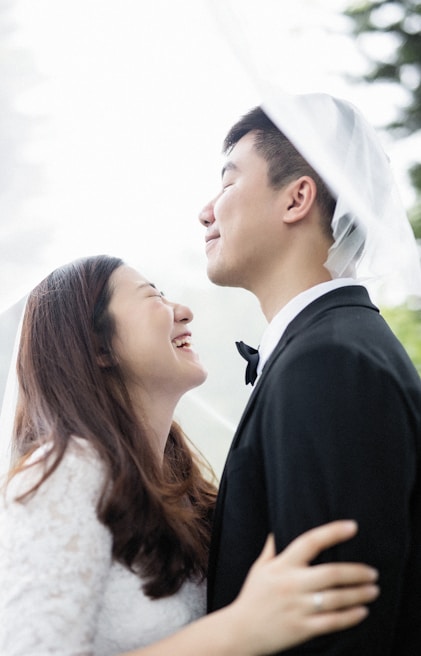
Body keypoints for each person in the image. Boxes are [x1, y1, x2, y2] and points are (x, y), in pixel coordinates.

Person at [0, 254, 379, 656]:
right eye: (152, 296)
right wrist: (240, 629)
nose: (185, 312)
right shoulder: (63, 473)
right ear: (99, 346)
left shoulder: (180, 483)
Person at [199, 97, 421, 654]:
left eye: (226, 183)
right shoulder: (334, 346)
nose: (206, 211)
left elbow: (334, 630)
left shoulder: (330, 364)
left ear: (297, 197)